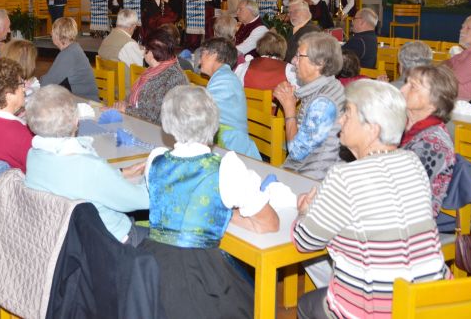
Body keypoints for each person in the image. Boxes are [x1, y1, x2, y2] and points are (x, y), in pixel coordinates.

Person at [293, 80, 450, 319]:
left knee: (307, 304)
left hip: (376, 310)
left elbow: (305, 242)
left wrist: (304, 212)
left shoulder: (345, 177)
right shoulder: (413, 164)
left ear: (373, 129)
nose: (340, 121)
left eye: (348, 113)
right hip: (430, 305)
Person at [140, 85, 279, 319]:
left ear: (168, 122)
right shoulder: (226, 167)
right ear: (214, 123)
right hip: (200, 272)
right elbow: (269, 224)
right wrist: (222, 212)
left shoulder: (154, 160)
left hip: (150, 266)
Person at [24, 85, 149, 245]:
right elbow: (141, 201)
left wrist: (120, 173)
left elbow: (83, 184)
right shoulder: (88, 166)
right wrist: (151, 174)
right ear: (76, 121)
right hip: (111, 243)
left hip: (67, 240)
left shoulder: (34, 155)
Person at [275, 32, 345, 180]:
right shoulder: (329, 85)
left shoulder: (324, 104)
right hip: (305, 172)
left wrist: (289, 108)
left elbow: (296, 152)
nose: (294, 61)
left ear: (319, 63)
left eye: (300, 56)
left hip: (312, 179)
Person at [399, 64, 458, 216]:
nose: (402, 89)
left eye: (412, 86)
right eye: (406, 83)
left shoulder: (433, 143)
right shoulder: (402, 127)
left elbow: (405, 194)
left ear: (434, 101)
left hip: (412, 220)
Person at [199, 37, 262, 159]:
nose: (199, 61)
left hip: (234, 151)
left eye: (202, 54)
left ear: (213, 55)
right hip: (225, 147)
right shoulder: (223, 76)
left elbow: (203, 109)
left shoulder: (225, 79)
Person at [113, 27, 188, 124]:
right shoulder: (153, 70)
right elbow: (136, 96)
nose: (144, 52)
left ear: (153, 52)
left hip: (159, 131)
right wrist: (124, 103)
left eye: (146, 49)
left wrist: (126, 110)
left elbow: (154, 116)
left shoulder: (173, 77)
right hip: (139, 123)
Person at [40, 17, 97, 100]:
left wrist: (33, 84)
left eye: (52, 31)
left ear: (57, 34)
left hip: (85, 103)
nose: (51, 33)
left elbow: (46, 83)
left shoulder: (69, 54)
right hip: (79, 99)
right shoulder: (73, 48)